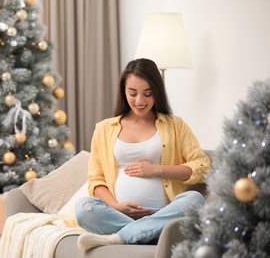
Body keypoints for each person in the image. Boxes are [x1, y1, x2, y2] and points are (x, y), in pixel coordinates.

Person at [74, 58, 211, 251]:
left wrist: (157, 169)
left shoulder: (175, 125)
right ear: (124, 91)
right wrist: (115, 206)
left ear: (157, 92)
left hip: (165, 213)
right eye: (133, 93)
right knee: (83, 208)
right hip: (119, 214)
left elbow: (202, 167)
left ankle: (122, 237)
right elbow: (96, 180)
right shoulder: (104, 129)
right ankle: (152, 234)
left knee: (194, 199)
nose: (139, 101)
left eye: (148, 94)